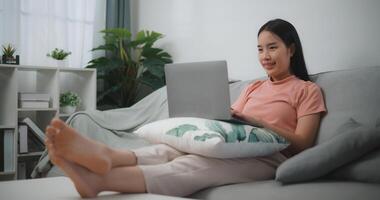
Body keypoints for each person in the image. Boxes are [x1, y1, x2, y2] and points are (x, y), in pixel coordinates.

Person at [45, 18, 326, 198]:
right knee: (168, 150)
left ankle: (101, 180)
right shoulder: (254, 87)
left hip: (268, 158)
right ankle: (104, 154)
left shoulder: (307, 90)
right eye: (260, 49)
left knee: (192, 165)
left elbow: (303, 144)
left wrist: (258, 122)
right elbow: (230, 121)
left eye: (272, 48)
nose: (264, 56)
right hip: (235, 144)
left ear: (291, 49)